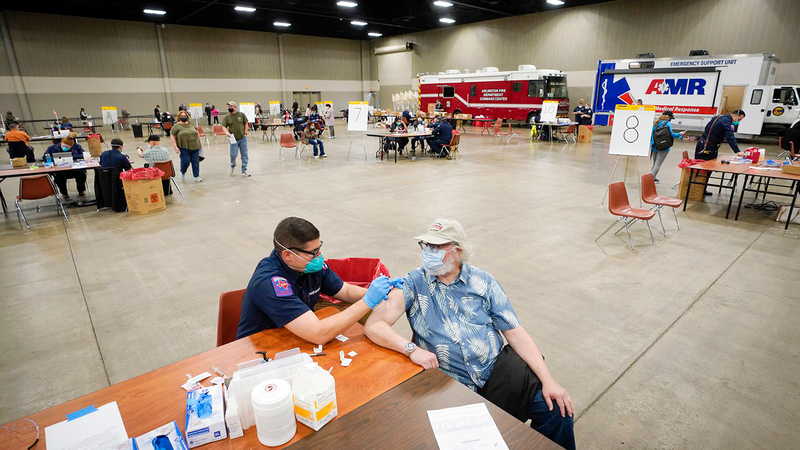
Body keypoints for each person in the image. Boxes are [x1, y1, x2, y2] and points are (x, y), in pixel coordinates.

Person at [363, 219, 575, 450]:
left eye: (437, 247)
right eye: (427, 246)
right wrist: (411, 349)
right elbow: (374, 325)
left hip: (497, 373)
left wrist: (548, 381)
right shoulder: (413, 283)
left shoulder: (483, 282)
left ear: (457, 252)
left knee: (558, 410)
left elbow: (515, 332)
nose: (429, 252)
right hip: (450, 384)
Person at [236, 217, 399, 343]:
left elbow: (345, 291)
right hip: (260, 348)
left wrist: (380, 291)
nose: (319, 256)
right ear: (288, 255)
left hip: (295, 337)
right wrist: (368, 301)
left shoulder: (308, 266)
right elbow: (318, 334)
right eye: (313, 252)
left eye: (319, 248)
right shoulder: (271, 283)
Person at [650, 111, 684, 183]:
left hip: (654, 146)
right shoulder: (668, 123)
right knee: (658, 164)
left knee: (655, 163)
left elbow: (652, 134)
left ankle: (653, 177)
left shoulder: (656, 123)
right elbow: (672, 135)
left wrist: (652, 144)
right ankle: (650, 180)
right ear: (669, 117)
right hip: (664, 147)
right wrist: (680, 134)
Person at [171, 110, 203, 182]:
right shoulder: (176, 126)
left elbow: (197, 133)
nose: (183, 117)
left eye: (185, 115)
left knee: (195, 162)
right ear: (179, 117)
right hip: (183, 147)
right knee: (185, 161)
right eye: (182, 116)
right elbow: (172, 136)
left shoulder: (191, 124)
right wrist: (175, 147)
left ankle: (196, 176)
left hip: (195, 146)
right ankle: (182, 172)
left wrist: (200, 143)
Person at [221, 101, 250, 176]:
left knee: (244, 155)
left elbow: (246, 123)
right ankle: (232, 165)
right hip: (233, 139)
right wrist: (227, 132)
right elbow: (223, 126)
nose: (229, 108)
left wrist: (245, 132)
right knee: (233, 154)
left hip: (242, 138)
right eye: (228, 107)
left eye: (231, 106)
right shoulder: (227, 117)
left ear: (235, 107)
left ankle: (244, 170)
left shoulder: (241, 115)